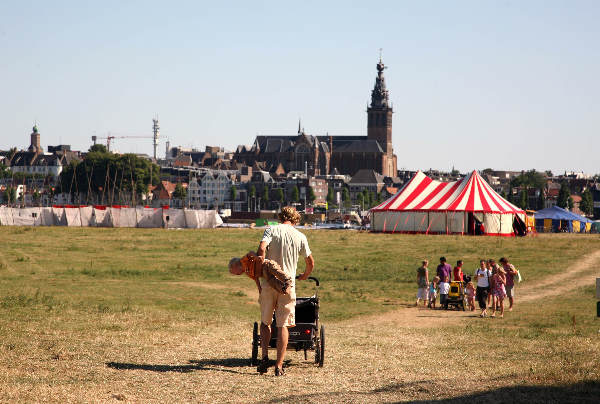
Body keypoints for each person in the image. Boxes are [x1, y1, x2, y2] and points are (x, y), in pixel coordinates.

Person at [255, 206, 314, 376]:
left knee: (265, 323)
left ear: (280, 217)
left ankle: (265, 357)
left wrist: (263, 264)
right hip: (287, 286)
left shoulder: (271, 229)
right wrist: (304, 275)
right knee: (283, 325)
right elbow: (310, 261)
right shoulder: (300, 236)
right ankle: (279, 366)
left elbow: (261, 248)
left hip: (268, 283)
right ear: (296, 220)